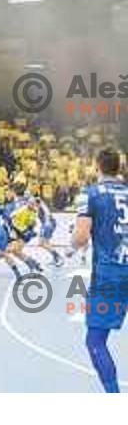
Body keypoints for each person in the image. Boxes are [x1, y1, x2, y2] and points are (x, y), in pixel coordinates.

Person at [72, 148, 128, 393]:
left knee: (95, 341)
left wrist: (71, 244)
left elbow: (81, 237)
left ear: (97, 166)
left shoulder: (91, 193)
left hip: (110, 276)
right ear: (119, 167)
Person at [35, 197, 64, 267]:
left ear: (37, 203)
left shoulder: (42, 207)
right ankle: (55, 258)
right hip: (47, 224)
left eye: (34, 203)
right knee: (46, 243)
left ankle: (58, 257)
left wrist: (47, 224)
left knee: (41, 243)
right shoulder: (39, 207)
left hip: (47, 225)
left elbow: (47, 214)